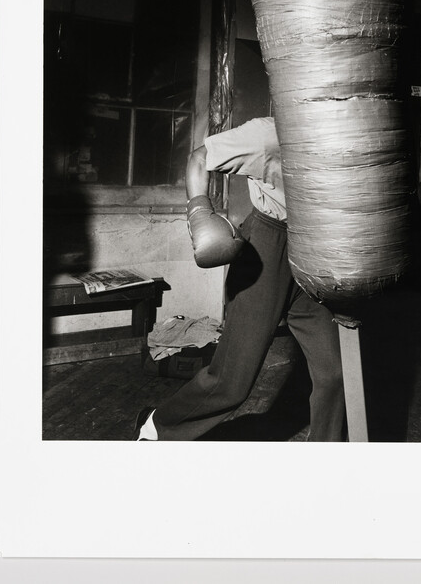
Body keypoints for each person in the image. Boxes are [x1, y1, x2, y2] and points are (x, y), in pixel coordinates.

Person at [132, 116, 346, 442]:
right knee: (231, 384)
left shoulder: (354, 139)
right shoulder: (269, 134)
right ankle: (158, 428)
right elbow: (198, 158)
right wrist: (200, 212)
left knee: (334, 373)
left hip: (313, 250)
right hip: (266, 248)